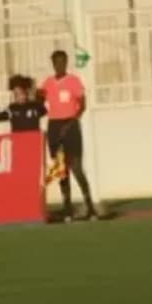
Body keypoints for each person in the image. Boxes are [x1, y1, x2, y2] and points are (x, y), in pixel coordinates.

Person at [41, 50, 98, 222]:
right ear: (53, 64)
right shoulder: (48, 83)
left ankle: (90, 206)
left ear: (66, 63)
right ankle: (68, 209)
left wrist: (73, 120)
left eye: (62, 62)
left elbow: (82, 104)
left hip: (70, 125)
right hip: (54, 126)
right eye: (56, 62)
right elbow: (40, 100)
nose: (59, 65)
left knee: (76, 167)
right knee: (61, 169)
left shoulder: (73, 81)